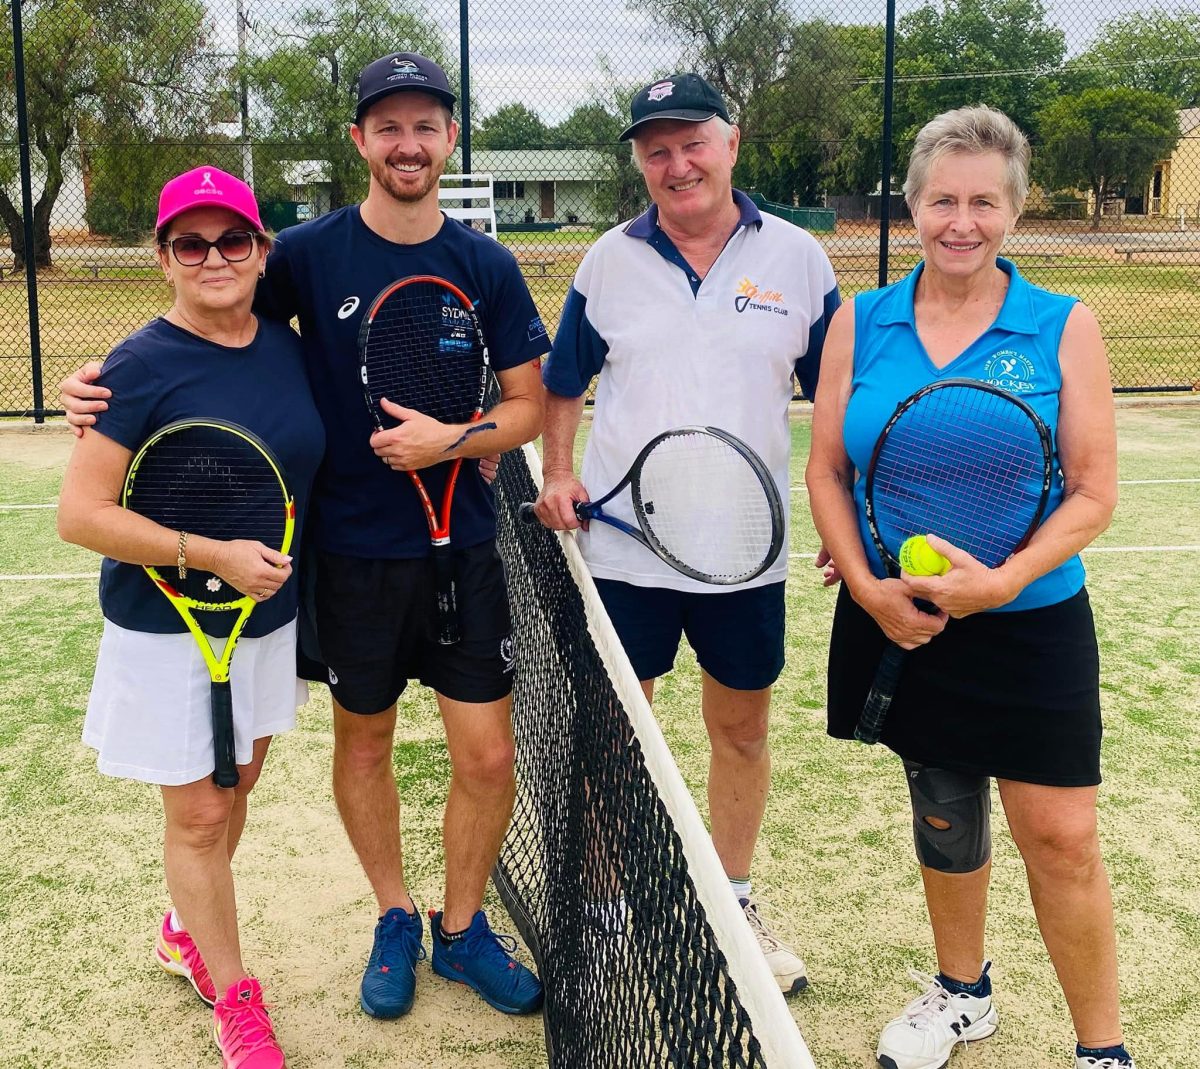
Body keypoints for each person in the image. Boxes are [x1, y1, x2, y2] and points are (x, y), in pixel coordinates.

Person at [60, 53, 547, 1022]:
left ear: (452, 138)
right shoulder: (307, 257)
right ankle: (396, 916)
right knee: (361, 748)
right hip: (351, 559)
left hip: (464, 551)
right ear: (360, 140)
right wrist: (96, 383)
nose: (408, 144)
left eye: (427, 125)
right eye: (388, 126)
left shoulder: (486, 264)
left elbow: (529, 407)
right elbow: (208, 310)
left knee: (488, 758)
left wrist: (454, 440)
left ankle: (462, 929)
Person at [805, 105, 1132, 1069]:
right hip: (900, 618)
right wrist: (865, 585)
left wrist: (1006, 581)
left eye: (983, 201)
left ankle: (1101, 1050)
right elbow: (828, 468)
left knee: (1062, 836)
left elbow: (1092, 492)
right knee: (943, 809)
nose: (961, 221)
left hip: (1029, 623)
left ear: (1015, 211)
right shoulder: (858, 320)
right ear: (910, 207)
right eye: (941, 199)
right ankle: (962, 991)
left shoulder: (1064, 326)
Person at [533, 72, 840, 995]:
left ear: (732, 143)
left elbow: (834, 397)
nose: (676, 165)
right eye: (655, 150)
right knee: (619, 730)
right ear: (639, 162)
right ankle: (602, 904)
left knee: (740, 728)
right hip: (625, 547)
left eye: (692, 143)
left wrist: (844, 514)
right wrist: (558, 470)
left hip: (747, 550)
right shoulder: (606, 261)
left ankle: (733, 896)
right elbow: (563, 380)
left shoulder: (799, 259)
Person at [57, 166, 324, 1069]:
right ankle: (237, 1000)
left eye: (233, 240)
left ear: (261, 252)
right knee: (203, 817)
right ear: (165, 258)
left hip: (265, 619)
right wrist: (211, 556)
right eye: (190, 243)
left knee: (236, 785)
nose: (214, 258)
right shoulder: (134, 366)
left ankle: (184, 930)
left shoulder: (288, 346)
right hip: (171, 625)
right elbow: (82, 515)